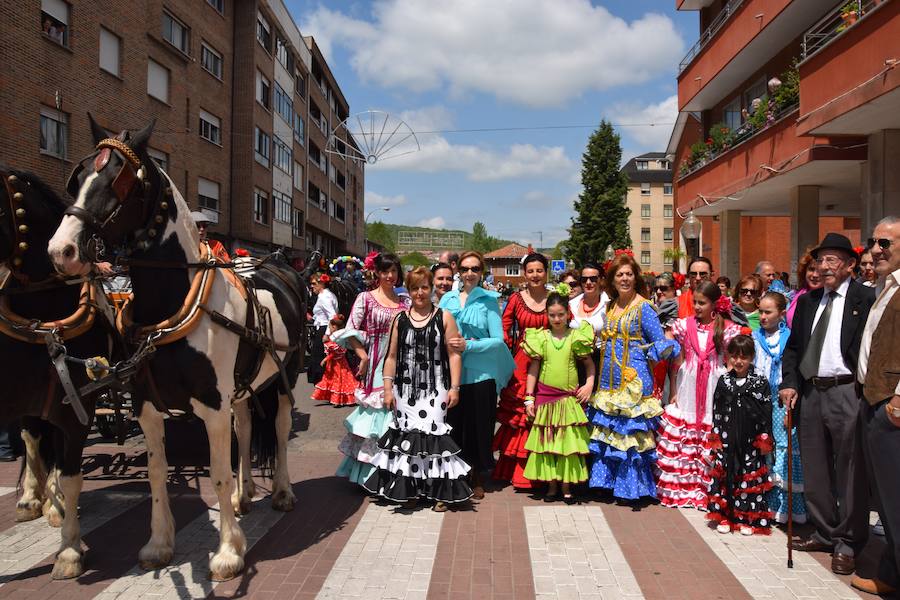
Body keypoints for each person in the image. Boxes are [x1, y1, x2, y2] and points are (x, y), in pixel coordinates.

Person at [780, 233, 874, 576]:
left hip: (847, 391)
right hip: (811, 392)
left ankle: (848, 542)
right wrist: (789, 384)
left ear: (851, 265)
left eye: (832, 260)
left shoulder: (866, 298)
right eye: (821, 260)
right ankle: (824, 531)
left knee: (850, 471)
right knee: (815, 465)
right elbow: (793, 350)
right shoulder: (808, 301)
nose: (824, 266)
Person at [362, 267, 472, 511]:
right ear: (408, 291)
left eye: (424, 287)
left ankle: (440, 492)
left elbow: (454, 355)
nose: (420, 293)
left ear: (431, 288)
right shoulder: (399, 319)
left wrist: (455, 387)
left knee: (434, 438)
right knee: (408, 440)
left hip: (436, 389)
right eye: (414, 288)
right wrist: (388, 388)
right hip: (405, 390)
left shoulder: (444, 317)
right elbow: (390, 357)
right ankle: (409, 490)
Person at [587, 254, 678, 501]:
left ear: (635, 277)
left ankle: (631, 488)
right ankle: (607, 484)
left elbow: (659, 342)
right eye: (620, 275)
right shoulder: (610, 306)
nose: (625, 279)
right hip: (608, 378)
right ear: (612, 280)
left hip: (634, 379)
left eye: (628, 274)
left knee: (630, 435)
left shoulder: (645, 307)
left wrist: (660, 349)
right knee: (609, 431)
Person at [658, 281, 741, 508]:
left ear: (714, 304)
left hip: (714, 383)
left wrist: (731, 387)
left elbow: (733, 360)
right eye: (694, 302)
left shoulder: (725, 328)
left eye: (702, 303)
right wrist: (673, 390)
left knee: (710, 429)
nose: (696, 306)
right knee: (686, 430)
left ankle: (708, 490)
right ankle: (684, 489)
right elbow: (678, 360)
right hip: (689, 383)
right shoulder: (684, 325)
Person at [439, 251, 515, 500]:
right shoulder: (447, 299)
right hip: (453, 375)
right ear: (457, 271)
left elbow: (498, 340)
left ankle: (476, 474)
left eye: (474, 268)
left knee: (479, 426)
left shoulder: (489, 300)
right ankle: (454, 472)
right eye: (465, 268)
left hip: (481, 373)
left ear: (482, 272)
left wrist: (469, 345)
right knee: (454, 424)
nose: (469, 273)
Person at [852, 217, 900, 596]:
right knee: (885, 502)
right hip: (873, 402)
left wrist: (898, 398)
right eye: (873, 242)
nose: (877, 249)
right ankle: (891, 574)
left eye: (886, 243)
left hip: (891, 407)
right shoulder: (885, 286)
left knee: (896, 501)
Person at [336, 253, 411, 485]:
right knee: (377, 418)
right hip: (376, 362)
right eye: (385, 271)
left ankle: (393, 472)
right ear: (377, 273)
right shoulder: (365, 298)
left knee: (397, 416)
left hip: (401, 362)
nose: (390, 276)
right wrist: (363, 355)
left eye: (394, 271)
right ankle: (370, 475)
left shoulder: (405, 301)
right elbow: (349, 329)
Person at [521, 290, 594, 501]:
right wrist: (529, 397)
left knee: (567, 445)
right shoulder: (540, 338)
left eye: (560, 314)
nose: (556, 319)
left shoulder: (576, 337)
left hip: (569, 399)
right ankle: (551, 486)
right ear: (547, 315)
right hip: (545, 399)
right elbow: (533, 370)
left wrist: (589, 384)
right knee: (548, 443)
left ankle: (566, 486)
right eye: (552, 315)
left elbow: (589, 364)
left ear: (568, 314)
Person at [706, 335, 774, 535]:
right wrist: (716, 437)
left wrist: (764, 437)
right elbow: (717, 411)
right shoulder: (724, 381)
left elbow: (766, 411)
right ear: (728, 357)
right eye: (734, 356)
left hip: (750, 441)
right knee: (727, 477)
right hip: (727, 440)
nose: (738, 361)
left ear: (752, 357)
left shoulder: (760, 381)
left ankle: (747, 518)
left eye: (743, 357)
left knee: (748, 479)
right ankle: (727, 517)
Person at [493, 253, 550, 489]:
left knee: (548, 412)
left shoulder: (556, 298)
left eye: (539, 270)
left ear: (546, 272)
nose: (535, 275)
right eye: (530, 271)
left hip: (550, 361)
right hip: (522, 362)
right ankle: (517, 472)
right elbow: (504, 327)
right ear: (524, 274)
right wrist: (506, 357)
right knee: (519, 415)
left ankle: (546, 470)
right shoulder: (516, 299)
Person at [754, 287, 807, 525]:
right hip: (760, 397)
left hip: (782, 398)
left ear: (781, 313)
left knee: (785, 447)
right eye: (760, 312)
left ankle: (789, 508)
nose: (763, 317)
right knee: (765, 447)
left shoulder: (789, 338)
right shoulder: (755, 337)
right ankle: (767, 503)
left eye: (768, 312)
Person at [569, 262, 610, 382]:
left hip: (601, 363)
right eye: (584, 279)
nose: (588, 283)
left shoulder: (609, 304)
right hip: (574, 364)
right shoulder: (571, 304)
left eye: (593, 279)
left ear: (601, 280)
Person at [312, 314, 357, 407]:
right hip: (335, 363)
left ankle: (340, 400)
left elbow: (336, 351)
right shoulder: (337, 336)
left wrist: (325, 359)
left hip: (338, 363)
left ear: (334, 326)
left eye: (329, 327)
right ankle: (344, 398)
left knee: (339, 380)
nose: (329, 329)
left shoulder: (337, 337)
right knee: (342, 379)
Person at [307, 273, 338, 385]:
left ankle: (324, 385)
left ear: (322, 284)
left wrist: (327, 333)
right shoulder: (326, 295)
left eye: (314, 283)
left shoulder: (324, 297)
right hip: (323, 327)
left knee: (320, 358)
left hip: (325, 329)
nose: (312, 286)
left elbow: (332, 316)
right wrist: (312, 317)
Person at [786, 252, 822, 328]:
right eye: (811, 269)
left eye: (820, 271)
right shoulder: (795, 295)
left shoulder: (830, 299)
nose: (815, 275)